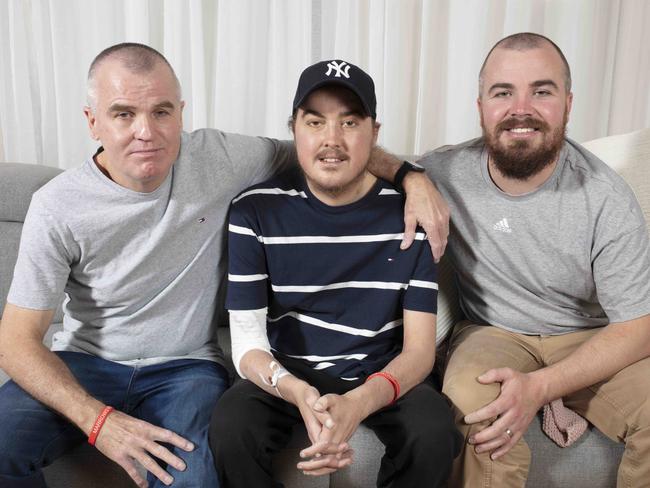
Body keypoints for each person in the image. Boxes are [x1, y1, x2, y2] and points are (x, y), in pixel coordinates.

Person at [0, 44, 448, 488]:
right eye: (123, 114)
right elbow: (15, 343)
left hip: (184, 368)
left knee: (194, 481)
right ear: (92, 121)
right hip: (85, 362)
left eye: (161, 112)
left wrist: (411, 175)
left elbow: (325, 151)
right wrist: (99, 422)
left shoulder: (219, 159)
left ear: (181, 113)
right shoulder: (57, 206)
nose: (146, 132)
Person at [209, 60, 462, 488]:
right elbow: (248, 345)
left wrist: (359, 403)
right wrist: (292, 389)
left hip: (379, 368)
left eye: (349, 122)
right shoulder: (254, 210)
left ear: (374, 134)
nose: (332, 140)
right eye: (315, 122)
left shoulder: (410, 213)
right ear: (294, 129)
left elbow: (420, 352)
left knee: (434, 431)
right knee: (231, 428)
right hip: (286, 370)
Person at [419, 32, 650, 487]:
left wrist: (541, 387)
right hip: (494, 331)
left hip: (588, 336)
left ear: (567, 103)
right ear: (481, 105)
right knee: (475, 405)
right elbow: (367, 159)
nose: (520, 108)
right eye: (503, 92)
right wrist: (410, 181)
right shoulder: (444, 171)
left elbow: (638, 327)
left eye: (541, 92)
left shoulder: (605, 198)